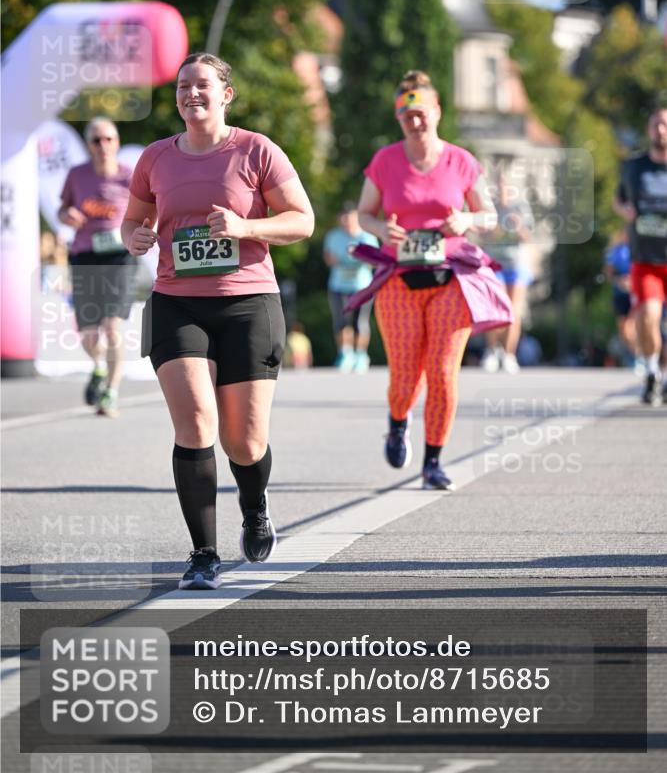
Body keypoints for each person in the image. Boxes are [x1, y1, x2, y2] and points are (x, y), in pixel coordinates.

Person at [121, 52, 314, 589]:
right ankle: (202, 553)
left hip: (248, 303)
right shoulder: (157, 158)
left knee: (245, 442)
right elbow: (133, 222)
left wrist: (246, 228)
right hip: (176, 302)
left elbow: (303, 221)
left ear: (225, 94)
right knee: (196, 424)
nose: (191, 94)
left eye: (202, 85)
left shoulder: (255, 150)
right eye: (183, 86)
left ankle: (254, 509)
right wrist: (133, 237)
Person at [353, 70, 512, 490]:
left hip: (450, 278)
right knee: (406, 377)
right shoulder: (385, 161)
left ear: (437, 112)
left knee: (442, 373)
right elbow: (364, 213)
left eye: (422, 113)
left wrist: (467, 219)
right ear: (399, 119)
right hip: (399, 280)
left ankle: (433, 462)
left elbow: (491, 216)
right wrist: (380, 229)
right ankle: (398, 421)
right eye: (407, 117)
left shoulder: (461, 160)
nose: (416, 122)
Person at [58, 118, 137, 418]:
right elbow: (62, 208)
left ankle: (111, 393)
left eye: (108, 139)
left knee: (113, 327)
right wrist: (68, 215)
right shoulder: (77, 176)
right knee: (89, 334)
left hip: (119, 257)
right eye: (95, 140)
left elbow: (149, 211)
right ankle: (99, 366)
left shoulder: (131, 177)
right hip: (85, 255)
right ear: (88, 145)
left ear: (116, 142)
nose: (102, 145)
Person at [614, 107, 667, 405]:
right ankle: (651, 372)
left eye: (665, 125)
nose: (661, 130)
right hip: (645, 258)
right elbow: (619, 199)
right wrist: (626, 211)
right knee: (648, 316)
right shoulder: (634, 166)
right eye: (656, 124)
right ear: (649, 129)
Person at [480, 169, 534, 374]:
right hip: (495, 264)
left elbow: (528, 237)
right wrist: (497, 230)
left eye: (505, 186)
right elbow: (483, 235)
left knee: (514, 311)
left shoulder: (521, 208)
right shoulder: (490, 208)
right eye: (498, 186)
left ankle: (509, 354)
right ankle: (492, 350)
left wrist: (518, 226)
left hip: (517, 264)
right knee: (496, 308)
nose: (502, 190)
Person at [323, 203, 376, 372]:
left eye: (350, 217)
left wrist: (358, 259)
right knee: (341, 321)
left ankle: (361, 355)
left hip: (361, 286)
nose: (346, 221)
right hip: (338, 285)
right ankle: (345, 353)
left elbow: (374, 260)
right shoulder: (333, 236)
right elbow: (329, 259)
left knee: (360, 321)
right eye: (343, 217)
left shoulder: (367, 237)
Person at [603, 228, 639, 371]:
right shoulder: (616, 251)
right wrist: (618, 280)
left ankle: (640, 357)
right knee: (624, 329)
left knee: (634, 325)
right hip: (620, 293)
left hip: (635, 293)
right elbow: (608, 272)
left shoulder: (639, 248)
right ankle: (634, 354)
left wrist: (632, 282)